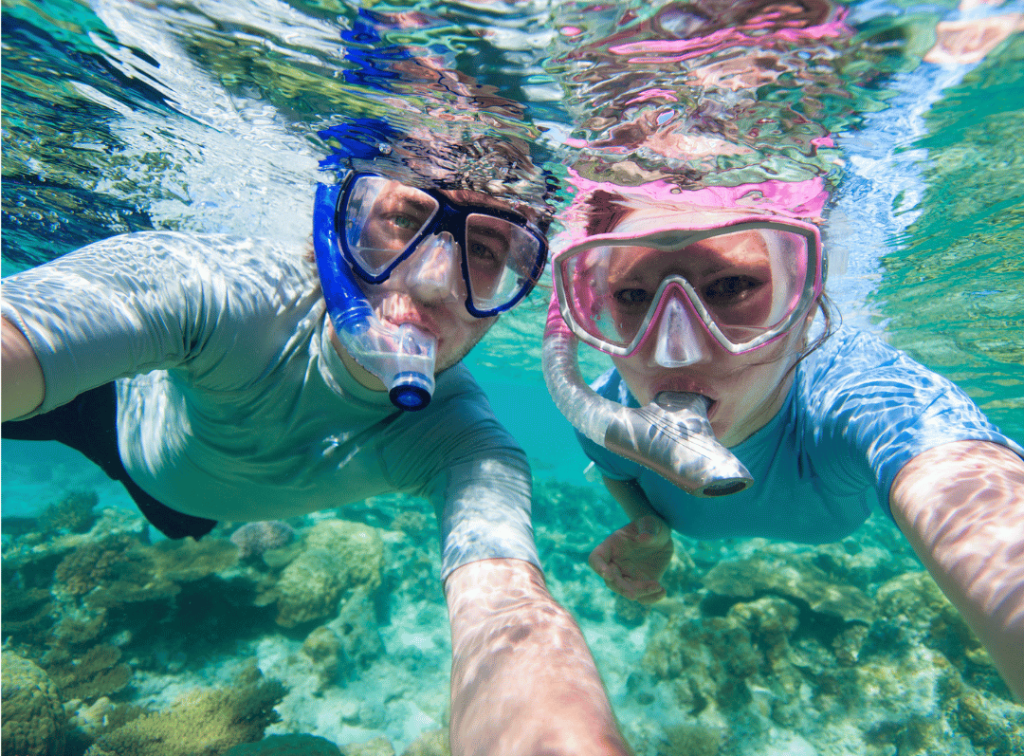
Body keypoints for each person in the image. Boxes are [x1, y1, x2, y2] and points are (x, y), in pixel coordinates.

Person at [1, 128, 633, 754]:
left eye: (489, 253)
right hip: (106, 414)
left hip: (186, 506)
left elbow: (503, 614)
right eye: (403, 220)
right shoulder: (221, 293)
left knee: (184, 522)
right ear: (337, 226)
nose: (436, 281)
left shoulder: (464, 442)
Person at [541, 174, 1024, 702]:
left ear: (805, 301)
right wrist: (652, 530)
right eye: (633, 295)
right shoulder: (606, 416)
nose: (673, 351)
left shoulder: (863, 395)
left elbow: (968, 491)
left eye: (731, 286)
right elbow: (618, 473)